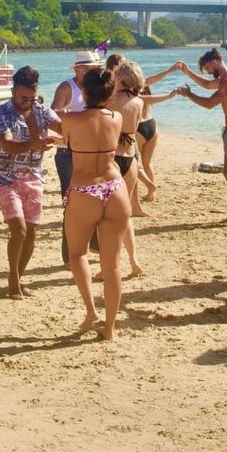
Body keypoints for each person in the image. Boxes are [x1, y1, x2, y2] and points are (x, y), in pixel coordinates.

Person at [60, 66, 130, 340]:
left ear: (84, 91)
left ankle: (91, 312)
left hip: (85, 188)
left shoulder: (72, 119)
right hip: (114, 187)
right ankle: (110, 327)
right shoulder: (117, 117)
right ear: (110, 91)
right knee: (112, 264)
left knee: (78, 254)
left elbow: (67, 133)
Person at [0, 65, 61, 299]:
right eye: (22, 98)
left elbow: (66, 128)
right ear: (13, 91)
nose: (26, 102)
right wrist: (34, 144)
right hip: (5, 176)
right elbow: (6, 145)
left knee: (31, 233)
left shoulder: (41, 111)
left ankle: (19, 277)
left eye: (30, 98)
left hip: (34, 176)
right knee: (18, 231)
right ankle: (12, 279)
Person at [175, 48, 227, 225]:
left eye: (207, 68)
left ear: (214, 62)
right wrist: (187, 71)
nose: (207, 72)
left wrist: (188, 94)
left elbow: (208, 104)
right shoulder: (225, 79)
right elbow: (206, 85)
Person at [52, 52, 102, 262]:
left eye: (96, 68)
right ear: (79, 69)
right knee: (71, 205)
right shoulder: (67, 87)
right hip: (68, 152)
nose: (95, 72)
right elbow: (52, 114)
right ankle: (69, 256)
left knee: (94, 201)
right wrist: (71, 121)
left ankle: (94, 245)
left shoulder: (95, 88)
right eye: (91, 68)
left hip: (91, 151)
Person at [106, 60, 145, 275]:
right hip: (129, 158)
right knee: (125, 215)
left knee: (107, 218)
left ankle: (111, 265)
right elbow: (131, 133)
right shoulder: (138, 102)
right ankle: (134, 260)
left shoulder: (110, 99)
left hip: (111, 158)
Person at [133, 63, 179, 203]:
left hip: (138, 127)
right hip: (152, 125)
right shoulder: (144, 85)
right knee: (147, 163)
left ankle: (148, 188)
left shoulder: (130, 90)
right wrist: (171, 70)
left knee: (134, 162)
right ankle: (151, 194)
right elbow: (155, 78)